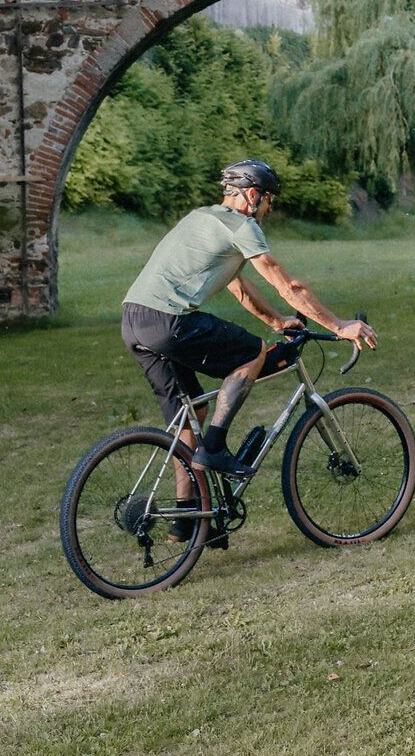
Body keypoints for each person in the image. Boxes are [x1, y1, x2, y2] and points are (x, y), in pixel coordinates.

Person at [121, 160, 376, 538]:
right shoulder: (242, 225)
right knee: (252, 353)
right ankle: (216, 447)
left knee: (191, 411)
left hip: (133, 321)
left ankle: (184, 519)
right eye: (269, 200)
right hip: (168, 320)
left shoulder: (201, 219)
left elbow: (237, 286)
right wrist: (338, 325)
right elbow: (288, 284)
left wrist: (277, 322)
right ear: (253, 195)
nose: (269, 209)